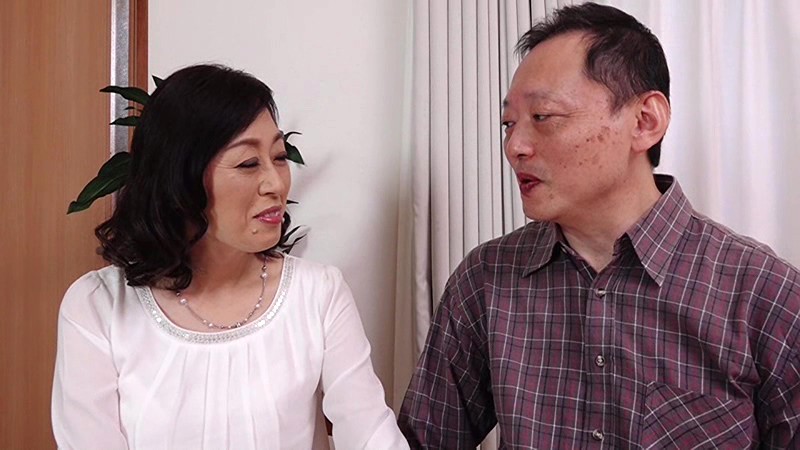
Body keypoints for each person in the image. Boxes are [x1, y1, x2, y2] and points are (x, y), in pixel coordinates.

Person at [399, 2, 800, 449]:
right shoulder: (486, 280)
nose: (515, 146)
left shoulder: (766, 296)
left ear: (645, 121)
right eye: (508, 124)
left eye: (543, 116)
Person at [52, 64, 409, 450]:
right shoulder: (98, 306)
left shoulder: (318, 292)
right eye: (248, 163)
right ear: (179, 177)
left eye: (279, 157)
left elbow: (370, 432)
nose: (276, 184)